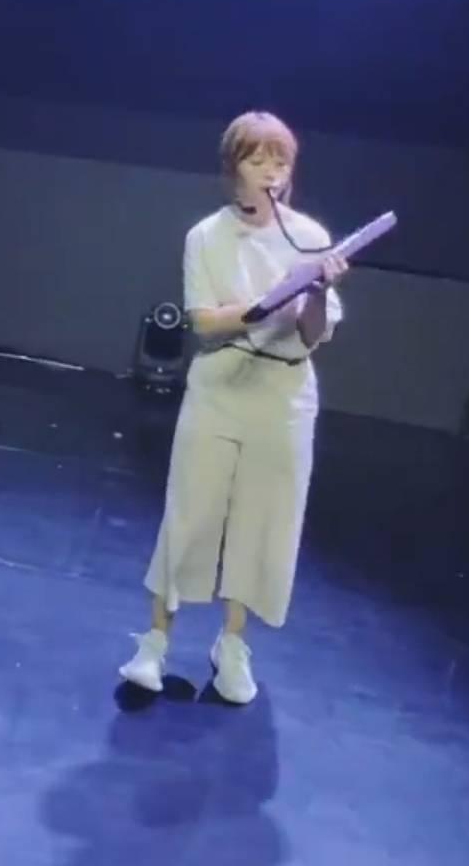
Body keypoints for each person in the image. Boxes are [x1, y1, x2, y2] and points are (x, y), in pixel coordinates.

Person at [119, 111, 348, 703]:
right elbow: (204, 322)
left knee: (264, 521)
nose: (271, 171)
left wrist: (317, 291)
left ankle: (233, 645)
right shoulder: (205, 236)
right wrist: (270, 302)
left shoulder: (313, 237)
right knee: (190, 513)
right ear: (233, 168)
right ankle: (155, 640)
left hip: (285, 395)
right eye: (257, 158)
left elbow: (315, 334)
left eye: (281, 160)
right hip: (221, 386)